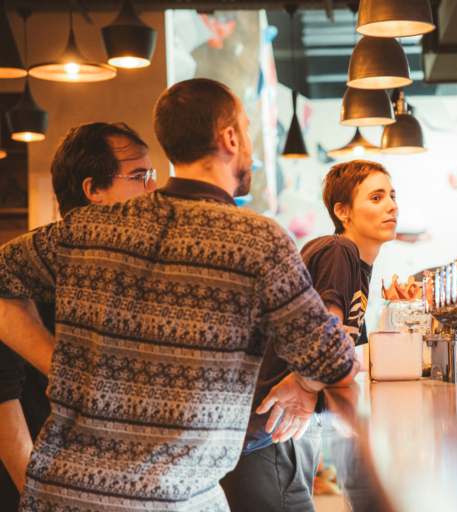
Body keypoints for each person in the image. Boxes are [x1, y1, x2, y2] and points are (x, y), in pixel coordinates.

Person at [0, 78, 356, 512]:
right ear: (230, 138)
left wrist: (63, 365)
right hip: (171, 496)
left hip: (61, 494)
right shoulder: (255, 240)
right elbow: (335, 359)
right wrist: (306, 383)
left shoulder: (88, 228)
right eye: (245, 129)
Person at [221, 160, 398, 512]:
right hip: (272, 426)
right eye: (376, 197)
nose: (392, 205)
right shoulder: (339, 250)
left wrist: (308, 383)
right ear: (342, 211)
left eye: (392, 196)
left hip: (283, 424)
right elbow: (326, 344)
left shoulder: (355, 264)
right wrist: (306, 383)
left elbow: (343, 352)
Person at [0, 122, 157, 512]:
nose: (153, 189)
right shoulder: (26, 273)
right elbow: (4, 411)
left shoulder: (129, 273)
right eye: (139, 176)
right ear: (94, 190)